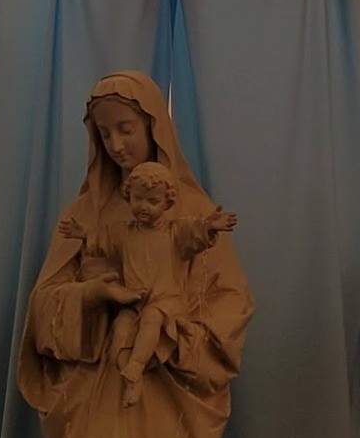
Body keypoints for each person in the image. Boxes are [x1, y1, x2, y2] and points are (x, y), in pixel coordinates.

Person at [18, 72, 253, 438]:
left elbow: (231, 305)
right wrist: (93, 295)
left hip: (167, 404)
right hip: (96, 400)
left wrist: (175, 334)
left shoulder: (191, 213)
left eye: (126, 128)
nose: (117, 144)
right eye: (105, 133)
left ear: (154, 127)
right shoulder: (83, 216)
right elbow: (44, 309)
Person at [61, 161, 237, 407]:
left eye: (152, 201)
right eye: (138, 199)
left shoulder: (174, 233)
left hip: (167, 303)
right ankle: (131, 376)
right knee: (120, 330)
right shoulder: (124, 233)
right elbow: (103, 241)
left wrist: (209, 227)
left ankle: (135, 366)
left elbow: (194, 232)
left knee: (152, 318)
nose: (143, 206)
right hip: (135, 301)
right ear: (128, 196)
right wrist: (85, 234)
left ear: (167, 203)